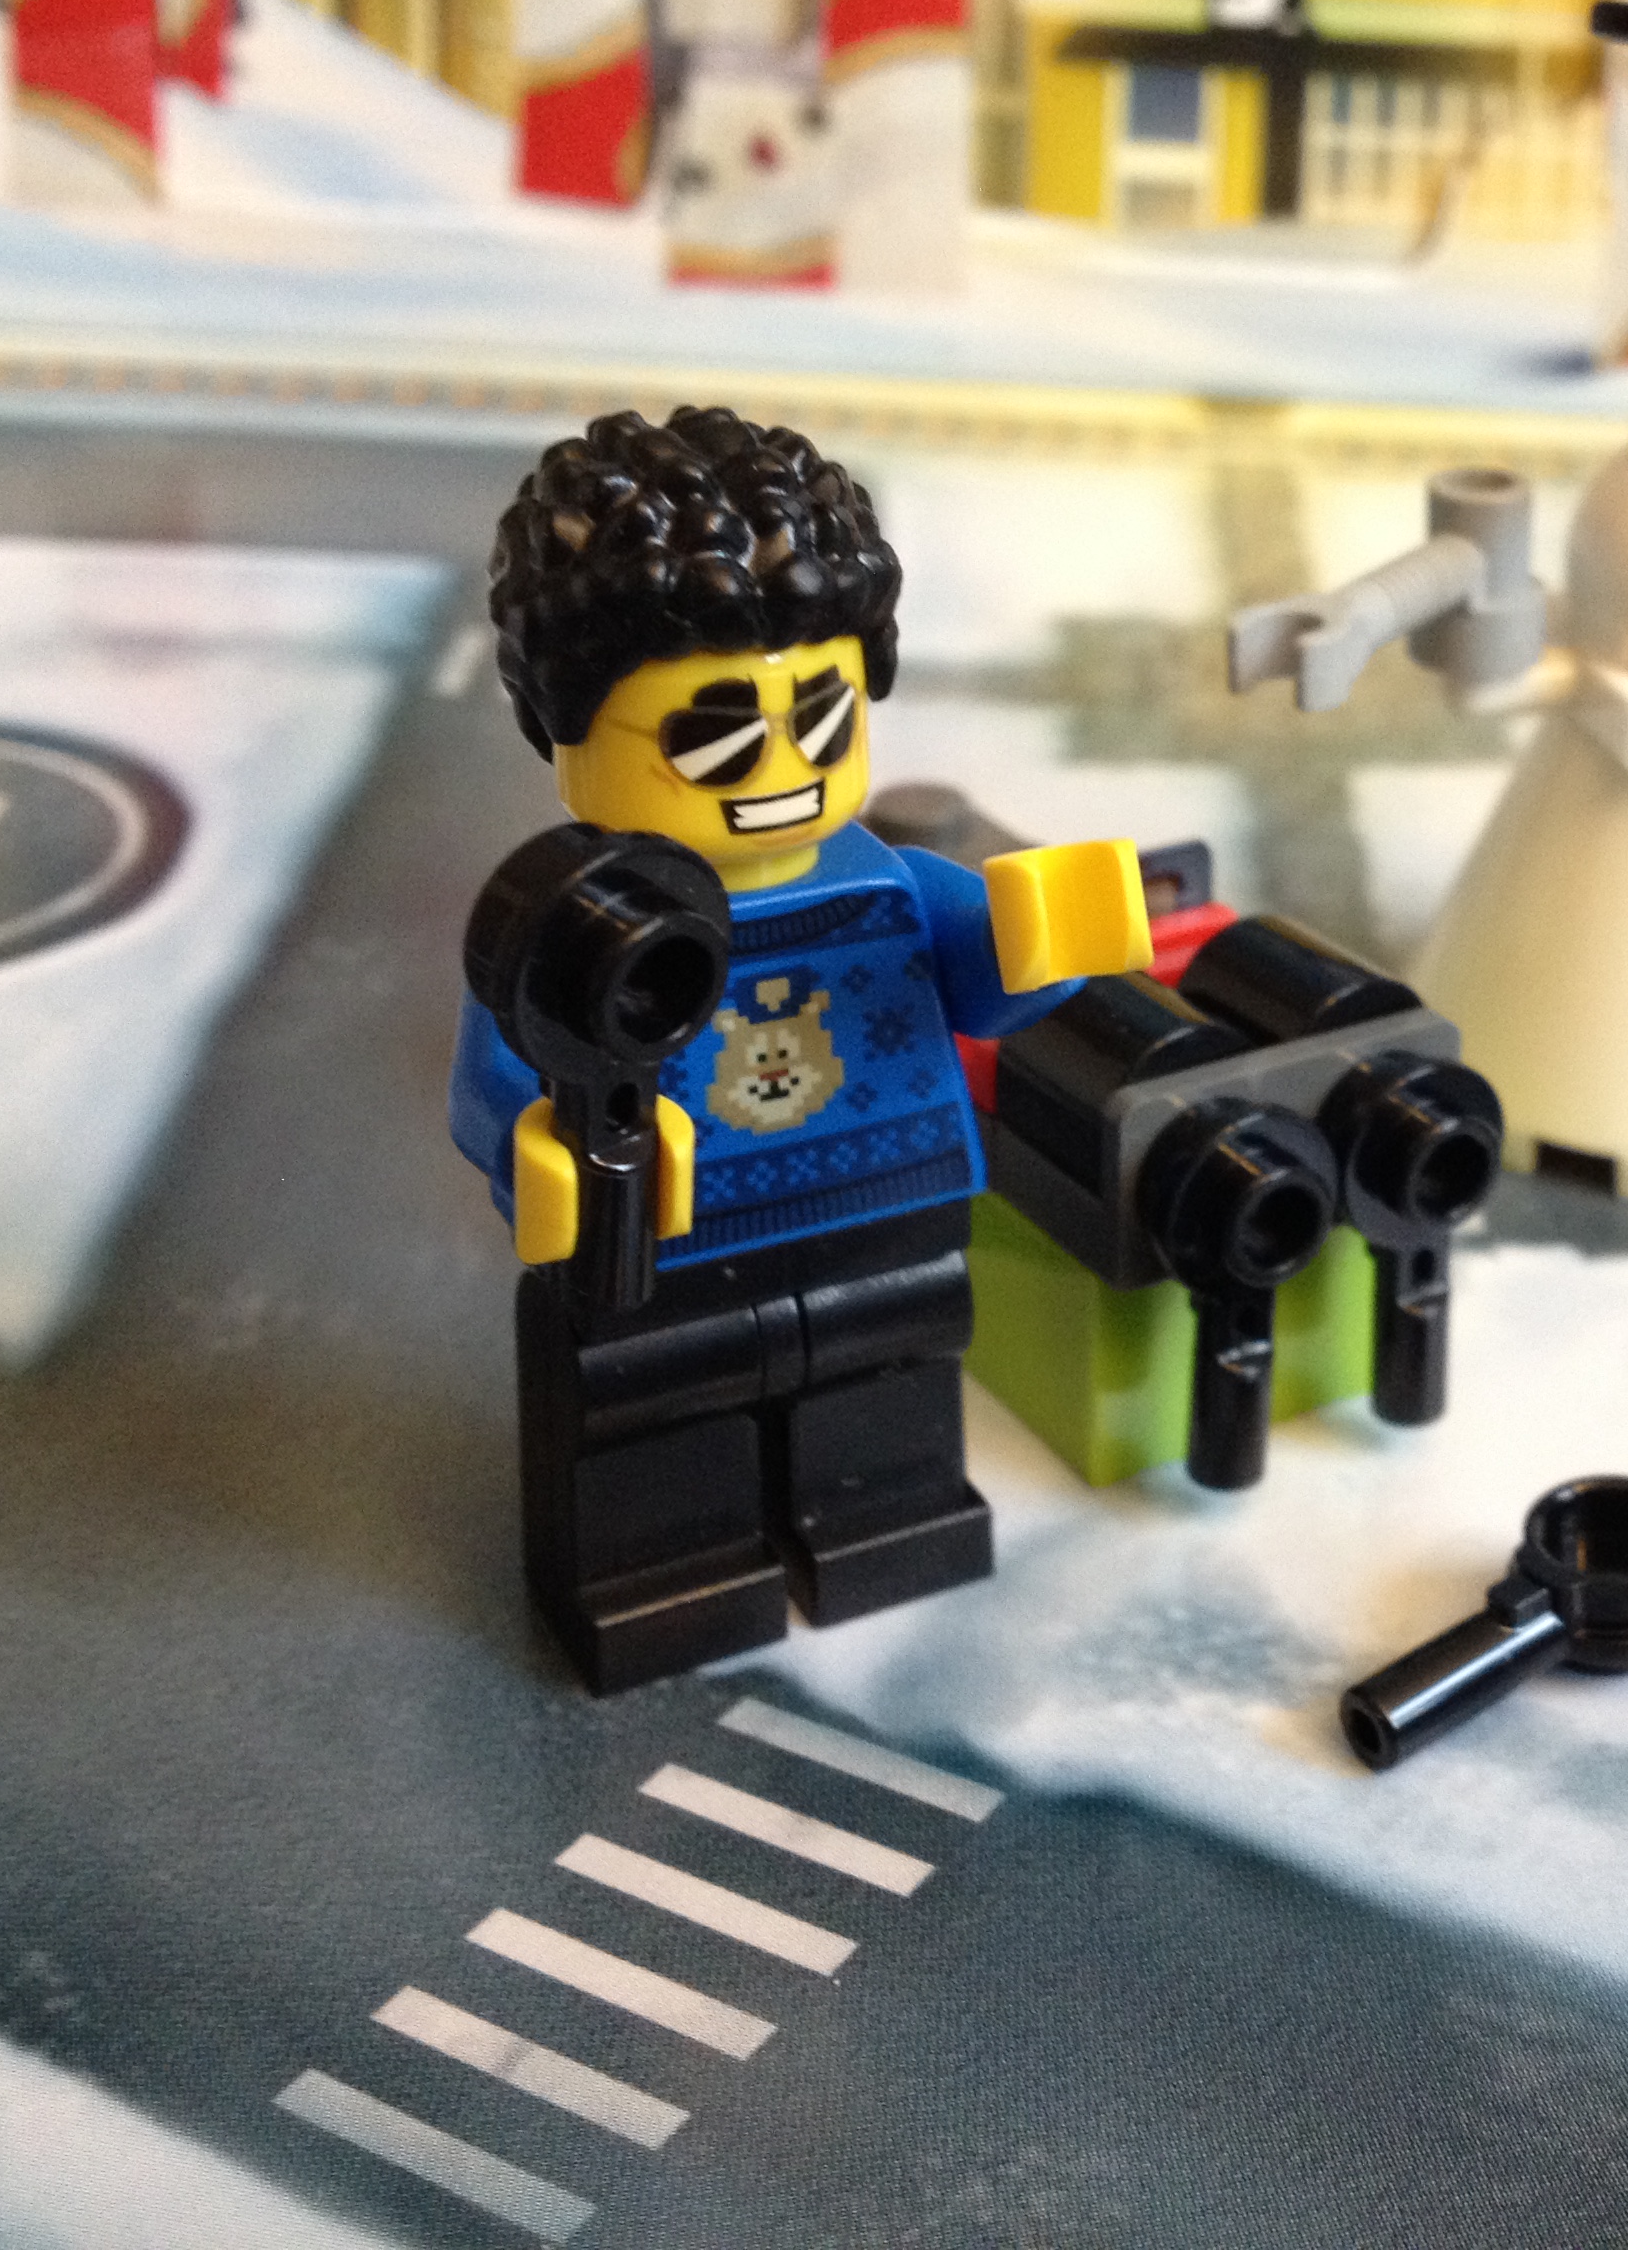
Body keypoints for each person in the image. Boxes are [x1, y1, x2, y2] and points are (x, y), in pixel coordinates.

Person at [451, 406, 1148, 1692]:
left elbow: (983, 989)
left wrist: (1040, 939)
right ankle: (661, 1565)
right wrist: (534, 1151)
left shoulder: (893, 880)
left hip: (885, 1208)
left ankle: (883, 1514)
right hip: (667, 1249)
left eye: (820, 723)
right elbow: (500, 1068)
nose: (777, 767)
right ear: (566, 727)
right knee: (656, 1405)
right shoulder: (579, 927)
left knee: (888, 1364)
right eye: (713, 738)